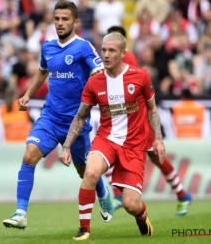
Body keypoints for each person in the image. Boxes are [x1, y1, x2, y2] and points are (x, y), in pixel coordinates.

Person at [2, 1, 113, 230]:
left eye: (65, 19)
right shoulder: (48, 47)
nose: (60, 23)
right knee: (29, 154)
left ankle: (103, 195)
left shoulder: (84, 48)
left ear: (75, 22)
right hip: (51, 117)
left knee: (85, 171)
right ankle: (21, 212)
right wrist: (28, 94)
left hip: (76, 122)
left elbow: (101, 75)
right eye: (57, 19)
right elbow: (43, 70)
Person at [59, 32, 165, 240]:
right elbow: (81, 116)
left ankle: (142, 216)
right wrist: (66, 146)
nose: (106, 55)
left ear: (123, 53)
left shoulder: (140, 76)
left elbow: (152, 109)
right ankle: (84, 228)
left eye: (112, 51)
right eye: (104, 50)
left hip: (134, 145)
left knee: (130, 204)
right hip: (106, 139)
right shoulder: (95, 82)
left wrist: (158, 139)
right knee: (90, 173)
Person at [106, 26, 192, 216]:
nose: (107, 52)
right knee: (153, 157)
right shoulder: (120, 59)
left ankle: (119, 194)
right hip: (130, 120)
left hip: (137, 121)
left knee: (113, 150)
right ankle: (182, 194)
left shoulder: (125, 61)